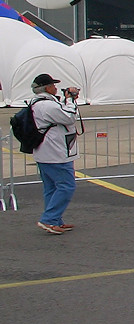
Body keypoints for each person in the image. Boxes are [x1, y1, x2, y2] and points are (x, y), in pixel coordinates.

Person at [29, 73, 81, 234]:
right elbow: (69, 117)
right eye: (53, 85)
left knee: (51, 188)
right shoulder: (47, 105)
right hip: (55, 153)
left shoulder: (39, 103)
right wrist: (71, 100)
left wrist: (66, 100)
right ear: (47, 88)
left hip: (45, 151)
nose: (56, 88)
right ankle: (49, 219)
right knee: (67, 186)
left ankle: (55, 219)